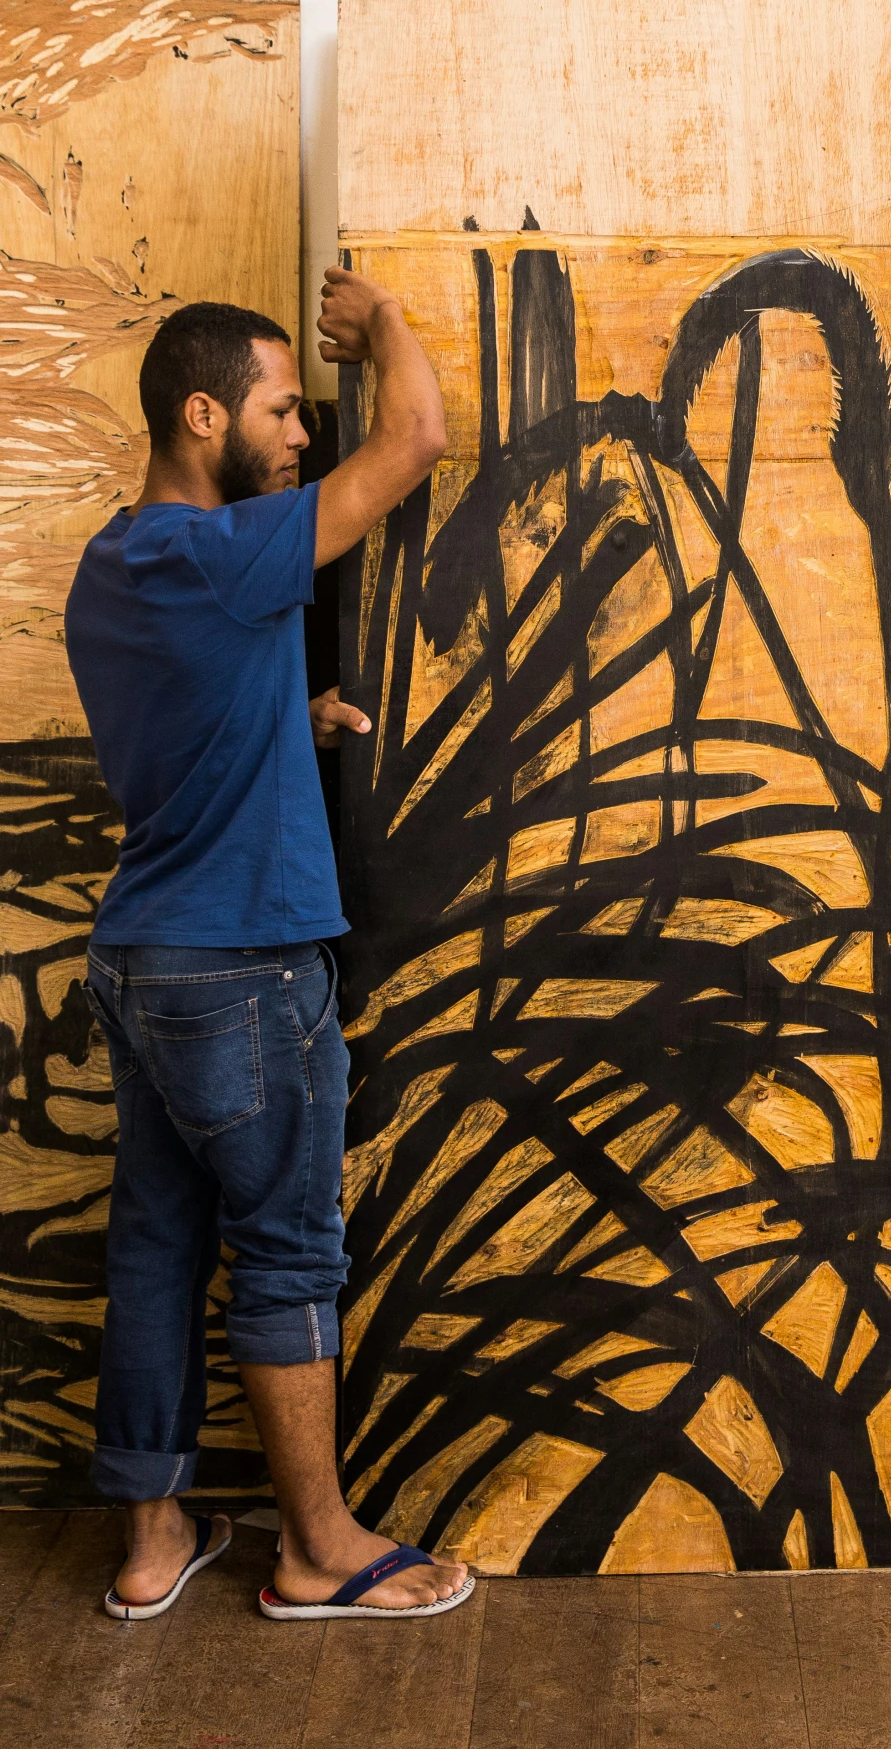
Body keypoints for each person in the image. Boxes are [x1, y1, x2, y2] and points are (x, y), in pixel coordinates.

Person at [64, 267, 471, 1623]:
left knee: (156, 1245)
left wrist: (279, 723)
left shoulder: (116, 568)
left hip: (138, 956)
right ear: (201, 415)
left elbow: (176, 738)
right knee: (290, 1250)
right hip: (242, 966)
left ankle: (149, 1539)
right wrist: (388, 326)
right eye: (285, 408)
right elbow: (412, 436)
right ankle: (318, 1547)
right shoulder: (228, 556)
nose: (303, 434)